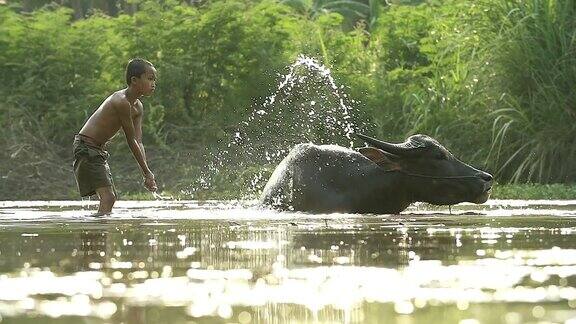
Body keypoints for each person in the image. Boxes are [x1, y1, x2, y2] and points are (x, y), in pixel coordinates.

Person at [73, 58, 158, 215]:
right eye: (150, 78)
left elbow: (139, 142)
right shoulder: (121, 102)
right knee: (108, 198)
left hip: (97, 150)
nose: (153, 84)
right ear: (134, 80)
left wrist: (146, 173)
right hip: (86, 147)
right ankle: (95, 234)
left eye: (155, 80)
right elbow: (130, 140)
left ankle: (97, 234)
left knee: (109, 198)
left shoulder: (138, 107)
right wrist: (146, 172)